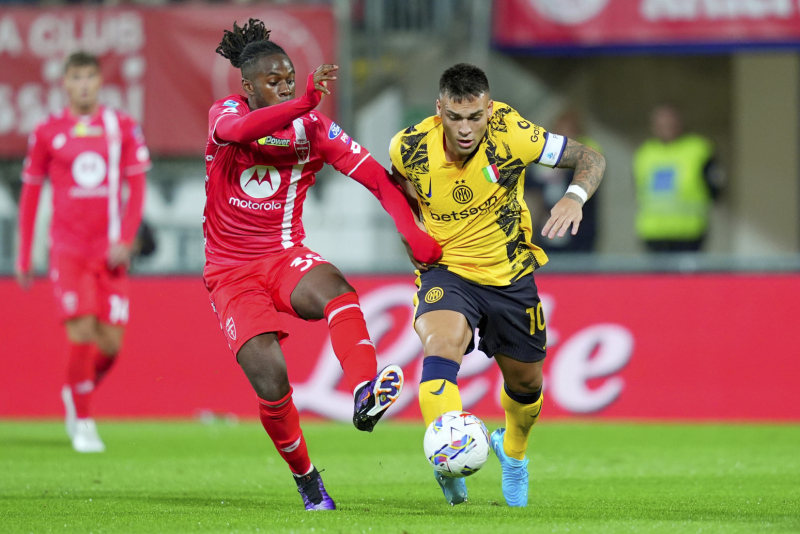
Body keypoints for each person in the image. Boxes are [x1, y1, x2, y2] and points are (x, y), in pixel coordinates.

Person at [207, 19, 442, 511]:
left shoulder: (313, 128)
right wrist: (304, 102)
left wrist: (413, 233)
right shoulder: (227, 112)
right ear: (247, 86)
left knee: (337, 289)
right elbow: (238, 132)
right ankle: (308, 481)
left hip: (283, 255)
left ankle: (364, 391)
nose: (285, 86)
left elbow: (378, 179)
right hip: (230, 273)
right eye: (273, 81)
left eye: (290, 79)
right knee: (272, 382)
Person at [389, 64, 605, 507]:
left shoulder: (514, 133)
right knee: (440, 346)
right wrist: (410, 229)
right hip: (447, 270)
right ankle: (445, 461)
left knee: (527, 385)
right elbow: (395, 186)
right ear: (439, 110)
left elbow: (592, 158)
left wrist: (574, 197)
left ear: (489, 109)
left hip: (510, 275)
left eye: (475, 117)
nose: (465, 129)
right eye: (454, 117)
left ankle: (513, 453)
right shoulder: (409, 145)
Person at [15, 51, 150, 453]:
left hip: (109, 253)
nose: (84, 84)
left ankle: (76, 388)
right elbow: (31, 192)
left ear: (99, 81)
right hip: (68, 250)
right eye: (76, 77)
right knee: (82, 331)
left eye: (90, 76)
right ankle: (85, 423)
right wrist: (24, 253)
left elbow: (137, 186)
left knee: (110, 345)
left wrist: (126, 237)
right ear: (65, 83)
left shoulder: (120, 126)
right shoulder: (47, 131)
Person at [633, 105, 724, 252]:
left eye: (670, 122)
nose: (666, 127)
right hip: (653, 231)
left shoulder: (699, 149)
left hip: (689, 232)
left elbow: (715, 185)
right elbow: (638, 187)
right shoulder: (645, 153)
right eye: (661, 123)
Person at [524, 110, 602, 252]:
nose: (564, 136)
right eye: (560, 130)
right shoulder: (545, 156)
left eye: (569, 131)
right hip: (546, 232)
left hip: (579, 235)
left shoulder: (587, 155)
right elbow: (528, 182)